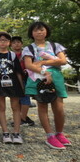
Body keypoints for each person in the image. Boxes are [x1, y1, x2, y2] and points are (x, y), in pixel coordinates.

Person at [22, 21, 71, 149]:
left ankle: (59, 133)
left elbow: (63, 61)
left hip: (57, 78)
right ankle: (50, 136)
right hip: (39, 78)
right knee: (42, 106)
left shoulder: (55, 46)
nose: (39, 32)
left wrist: (43, 61)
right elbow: (29, 65)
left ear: (46, 31)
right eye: (36, 30)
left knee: (59, 108)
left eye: (42, 29)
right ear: (31, 33)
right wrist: (44, 71)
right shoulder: (29, 48)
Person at [0, 31, 24, 144]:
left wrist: (22, 87)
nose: (3, 42)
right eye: (0, 40)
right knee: (1, 108)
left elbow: (18, 71)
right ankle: (5, 132)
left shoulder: (12, 55)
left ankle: (17, 133)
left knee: (16, 108)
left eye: (5, 40)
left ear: (9, 42)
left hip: (13, 84)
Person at [10, 36, 35, 126]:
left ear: (22, 44)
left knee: (25, 97)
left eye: (18, 42)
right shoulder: (10, 55)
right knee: (17, 99)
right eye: (14, 43)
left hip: (26, 78)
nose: (16, 44)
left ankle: (23, 118)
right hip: (14, 80)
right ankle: (21, 117)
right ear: (11, 45)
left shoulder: (26, 54)